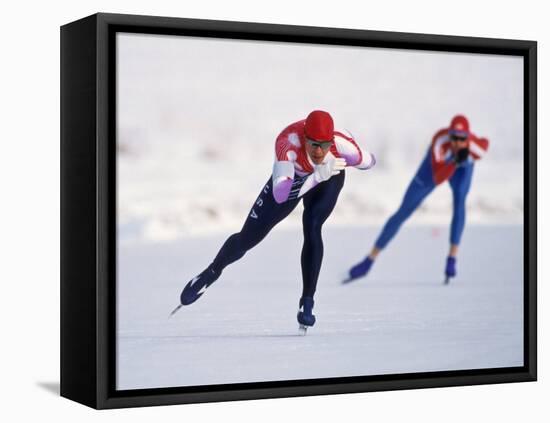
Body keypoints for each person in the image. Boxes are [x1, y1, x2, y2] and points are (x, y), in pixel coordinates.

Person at [173, 110, 376, 332]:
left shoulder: (342, 145)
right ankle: (210, 273)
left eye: (324, 145)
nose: (318, 151)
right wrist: (316, 175)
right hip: (292, 180)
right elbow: (282, 195)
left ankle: (307, 302)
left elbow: (369, 161)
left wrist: (350, 160)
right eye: (313, 144)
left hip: (330, 176)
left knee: (312, 225)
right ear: (304, 138)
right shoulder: (288, 143)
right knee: (248, 239)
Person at [345, 115, 489, 284]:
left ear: (468, 137)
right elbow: (438, 177)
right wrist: (454, 161)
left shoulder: (474, 147)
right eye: (454, 137)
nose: (457, 143)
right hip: (436, 170)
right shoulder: (440, 142)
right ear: (448, 135)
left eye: (461, 138)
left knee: (460, 202)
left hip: (461, 169)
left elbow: (485, 144)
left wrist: (465, 160)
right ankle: (369, 259)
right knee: (404, 211)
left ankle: (452, 257)